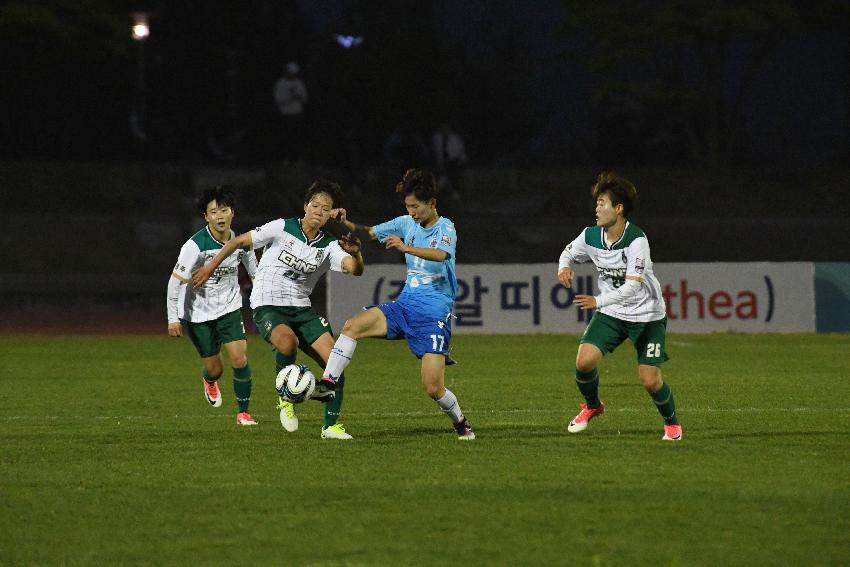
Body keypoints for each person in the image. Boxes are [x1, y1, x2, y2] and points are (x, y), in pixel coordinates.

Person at [192, 179, 364, 440]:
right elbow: (238, 241)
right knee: (287, 344)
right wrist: (209, 267)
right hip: (268, 303)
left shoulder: (330, 244)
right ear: (305, 206)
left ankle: (330, 426)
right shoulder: (282, 227)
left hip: (302, 309)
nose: (318, 210)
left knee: (335, 363)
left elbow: (354, 270)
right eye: (315, 205)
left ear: (331, 214)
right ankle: (286, 400)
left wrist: (357, 254)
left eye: (325, 208)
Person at [317, 168, 476, 440]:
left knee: (432, 388)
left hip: (433, 315)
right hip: (404, 306)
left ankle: (461, 422)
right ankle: (328, 383)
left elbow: (440, 254)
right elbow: (368, 233)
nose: (412, 212)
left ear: (432, 204)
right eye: (408, 207)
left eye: (416, 206)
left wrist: (405, 248)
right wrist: (346, 223)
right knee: (352, 326)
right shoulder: (406, 222)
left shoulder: (445, 227)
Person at [557, 172, 682, 441]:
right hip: (613, 314)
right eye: (597, 203)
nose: (597, 209)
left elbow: (633, 286)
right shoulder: (591, 235)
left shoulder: (637, 240)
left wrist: (598, 301)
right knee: (584, 362)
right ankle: (593, 406)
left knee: (650, 380)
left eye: (602, 203)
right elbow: (568, 252)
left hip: (647, 315)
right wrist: (564, 268)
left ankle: (672, 423)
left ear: (619, 208)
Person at [167, 186, 259, 426]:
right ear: (206, 217)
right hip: (198, 315)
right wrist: (173, 319)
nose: (220, 216)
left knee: (239, 359)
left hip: (229, 308)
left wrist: (262, 300)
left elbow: (254, 272)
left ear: (233, 213)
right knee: (215, 369)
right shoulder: (194, 246)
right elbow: (174, 282)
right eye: (214, 212)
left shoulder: (242, 242)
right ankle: (209, 379)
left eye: (224, 210)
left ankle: (243, 413)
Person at [273, 61, 309, 163]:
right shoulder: (281, 83)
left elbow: (305, 99)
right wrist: (290, 97)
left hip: (297, 114)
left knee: (297, 138)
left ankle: (298, 159)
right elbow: (278, 100)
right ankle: (285, 159)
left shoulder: (299, 83)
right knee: (285, 138)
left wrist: (297, 96)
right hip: (285, 114)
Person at [432, 123, 468, 200]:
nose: (444, 130)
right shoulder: (437, 137)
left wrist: (448, 162)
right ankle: (444, 185)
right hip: (444, 162)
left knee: (451, 170)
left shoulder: (455, 138)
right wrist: (440, 163)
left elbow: (457, 154)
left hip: (458, 161)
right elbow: (438, 152)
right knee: (443, 170)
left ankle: (443, 184)